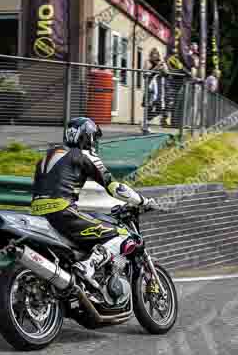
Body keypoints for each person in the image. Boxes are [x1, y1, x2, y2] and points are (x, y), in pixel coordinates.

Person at [30, 117, 158, 283]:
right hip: (63, 212)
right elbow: (115, 188)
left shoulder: (48, 156)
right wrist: (143, 201)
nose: (94, 142)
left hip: (38, 213)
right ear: (87, 136)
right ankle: (88, 266)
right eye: (94, 138)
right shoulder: (84, 154)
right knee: (123, 235)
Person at [143, 47, 169, 131]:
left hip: (160, 89)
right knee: (149, 107)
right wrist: (156, 68)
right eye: (154, 54)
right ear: (151, 55)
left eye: (157, 54)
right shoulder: (148, 62)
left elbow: (167, 73)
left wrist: (163, 66)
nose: (156, 56)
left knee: (159, 109)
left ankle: (146, 121)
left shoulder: (161, 62)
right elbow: (145, 74)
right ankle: (145, 125)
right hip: (150, 88)